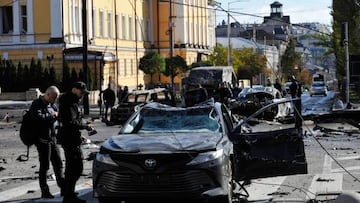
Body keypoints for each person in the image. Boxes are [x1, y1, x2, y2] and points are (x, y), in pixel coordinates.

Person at [58, 81, 94, 203]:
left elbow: (73, 122)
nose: (83, 94)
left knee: (73, 167)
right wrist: (85, 125)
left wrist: (81, 132)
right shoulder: (69, 102)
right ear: (74, 89)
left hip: (72, 137)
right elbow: (71, 122)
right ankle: (69, 196)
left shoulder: (71, 101)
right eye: (81, 92)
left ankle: (69, 192)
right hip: (69, 139)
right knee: (75, 167)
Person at [29, 86, 64, 199]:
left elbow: (58, 114)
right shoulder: (36, 104)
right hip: (42, 141)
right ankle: (45, 191)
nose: (55, 100)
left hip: (52, 139)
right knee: (45, 167)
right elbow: (37, 117)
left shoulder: (52, 104)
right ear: (48, 94)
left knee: (58, 163)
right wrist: (52, 114)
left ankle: (64, 188)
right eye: (54, 97)